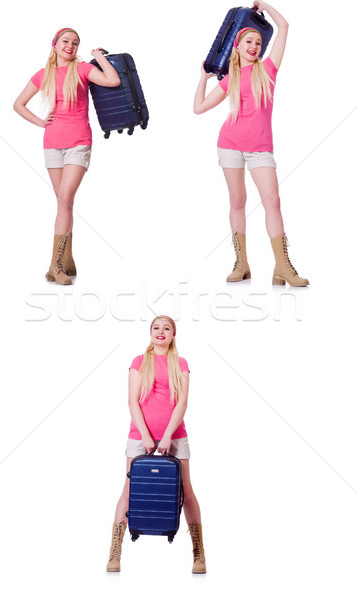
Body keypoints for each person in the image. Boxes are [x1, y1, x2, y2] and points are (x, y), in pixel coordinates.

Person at [194, 2, 309, 286]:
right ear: (238, 44)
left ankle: (282, 266)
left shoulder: (268, 69)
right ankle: (241, 263)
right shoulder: (230, 78)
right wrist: (202, 78)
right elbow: (198, 108)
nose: (255, 45)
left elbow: (284, 27)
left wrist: (264, 5)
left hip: (260, 149)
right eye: (249, 41)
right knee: (237, 201)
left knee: (273, 202)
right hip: (229, 144)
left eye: (258, 41)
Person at [13, 28, 120, 284]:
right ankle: (68, 262)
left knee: (65, 197)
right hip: (52, 143)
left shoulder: (82, 69)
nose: (70, 46)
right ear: (55, 44)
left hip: (78, 142)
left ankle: (55, 265)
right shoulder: (44, 74)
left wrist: (98, 56)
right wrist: (40, 122)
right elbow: (18, 104)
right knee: (65, 204)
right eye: (65, 41)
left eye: (75, 43)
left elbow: (113, 80)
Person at [106, 316, 206, 574]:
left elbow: (182, 403)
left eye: (167, 328)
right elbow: (132, 402)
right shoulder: (139, 361)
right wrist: (146, 435)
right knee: (129, 492)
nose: (161, 332)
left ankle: (198, 553)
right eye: (156, 328)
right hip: (140, 437)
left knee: (186, 492)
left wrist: (167, 436)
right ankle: (115, 552)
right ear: (150, 332)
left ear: (174, 334)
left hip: (175, 437)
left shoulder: (180, 363)